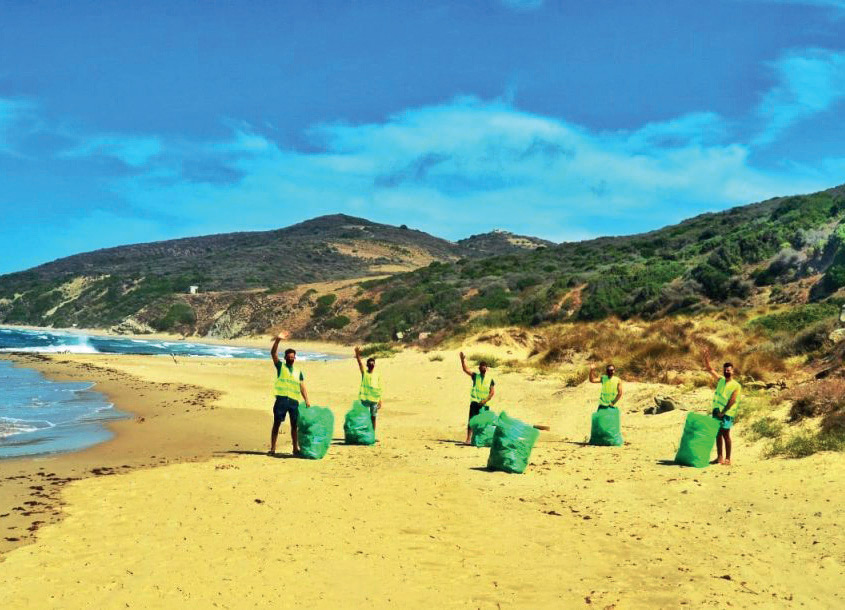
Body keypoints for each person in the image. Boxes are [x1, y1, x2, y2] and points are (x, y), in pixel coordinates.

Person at [270, 335, 311, 455]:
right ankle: (273, 448)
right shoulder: (280, 366)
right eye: (289, 357)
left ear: (295, 358)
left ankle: (295, 448)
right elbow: (273, 354)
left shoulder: (298, 371)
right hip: (281, 400)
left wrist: (307, 400)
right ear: (285, 357)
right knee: (277, 423)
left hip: (294, 401)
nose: (291, 359)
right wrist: (278, 340)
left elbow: (302, 386)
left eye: (292, 357)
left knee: (294, 425)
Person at [703, 347, 741, 466]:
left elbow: (732, 400)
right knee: (717, 434)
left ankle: (728, 458)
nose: (726, 372)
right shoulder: (720, 380)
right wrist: (706, 359)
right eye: (725, 370)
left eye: (728, 370)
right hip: (716, 411)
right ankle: (719, 457)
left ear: (733, 371)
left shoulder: (736, 385)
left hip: (727, 414)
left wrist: (723, 412)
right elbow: (710, 369)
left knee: (725, 434)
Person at [459, 351, 495, 444]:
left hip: (485, 404)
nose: (482, 368)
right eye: (481, 366)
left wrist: (485, 400)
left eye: (484, 366)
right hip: (475, 402)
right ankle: (468, 439)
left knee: (484, 423)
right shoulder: (475, 376)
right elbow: (465, 370)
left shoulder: (490, 379)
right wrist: (462, 360)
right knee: (471, 420)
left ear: (487, 368)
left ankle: (482, 439)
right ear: (479, 368)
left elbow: (492, 392)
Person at [354, 346, 383, 431]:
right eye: (370, 363)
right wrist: (357, 354)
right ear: (367, 365)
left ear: (374, 365)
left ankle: (372, 434)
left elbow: (379, 388)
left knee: (373, 417)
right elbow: (360, 364)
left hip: (374, 399)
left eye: (372, 363)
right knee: (365, 417)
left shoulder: (377, 375)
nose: (371, 364)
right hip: (365, 399)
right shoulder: (364, 373)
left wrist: (380, 400)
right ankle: (365, 432)